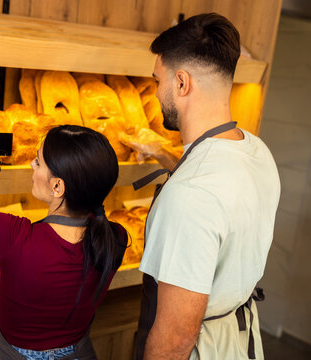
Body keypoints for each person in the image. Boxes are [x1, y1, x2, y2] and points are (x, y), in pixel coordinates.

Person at [0, 102, 127, 360]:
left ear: (58, 187)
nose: (31, 165)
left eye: (38, 162)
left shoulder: (15, 237)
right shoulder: (115, 238)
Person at [128, 13, 281, 360]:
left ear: (182, 84)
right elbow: (213, 177)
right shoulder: (254, 150)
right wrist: (160, 151)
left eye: (157, 80)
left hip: (200, 349)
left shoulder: (190, 195)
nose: (154, 92)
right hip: (239, 337)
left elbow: (176, 338)